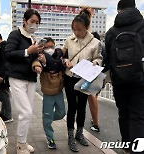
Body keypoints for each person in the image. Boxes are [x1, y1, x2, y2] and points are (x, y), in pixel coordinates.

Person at [105, 0, 144, 153]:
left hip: (119, 80)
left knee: (123, 114)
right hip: (140, 80)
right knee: (138, 116)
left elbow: (107, 59)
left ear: (118, 10)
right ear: (134, 8)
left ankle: (127, 147)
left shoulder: (111, 32)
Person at [62, 7, 102, 152]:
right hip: (70, 77)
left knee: (82, 107)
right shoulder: (69, 40)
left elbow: (99, 58)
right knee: (72, 106)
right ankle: (70, 136)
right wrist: (65, 61)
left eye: (80, 30)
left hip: (86, 78)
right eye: (74, 30)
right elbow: (62, 55)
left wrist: (95, 63)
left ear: (87, 28)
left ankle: (80, 133)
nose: (77, 33)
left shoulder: (95, 42)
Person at [5, 8, 42, 154]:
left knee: (29, 112)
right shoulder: (15, 34)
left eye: (37, 23)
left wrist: (39, 61)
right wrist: (28, 51)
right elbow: (8, 53)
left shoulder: (33, 39)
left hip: (31, 78)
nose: (34, 25)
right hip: (17, 78)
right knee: (25, 112)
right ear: (25, 21)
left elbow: (33, 59)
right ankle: (20, 145)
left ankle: (24, 142)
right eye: (32, 21)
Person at [32, 37, 65, 149]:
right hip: (47, 93)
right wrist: (37, 66)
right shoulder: (40, 57)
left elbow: (59, 64)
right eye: (46, 47)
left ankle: (47, 120)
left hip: (59, 91)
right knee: (47, 116)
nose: (49, 49)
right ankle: (50, 138)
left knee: (61, 114)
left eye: (51, 46)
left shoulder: (59, 54)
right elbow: (36, 62)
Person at [88, 31, 105, 133]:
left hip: (94, 76)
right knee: (94, 98)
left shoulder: (96, 48)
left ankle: (96, 123)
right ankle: (94, 119)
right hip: (102, 76)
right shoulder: (103, 46)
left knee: (92, 99)